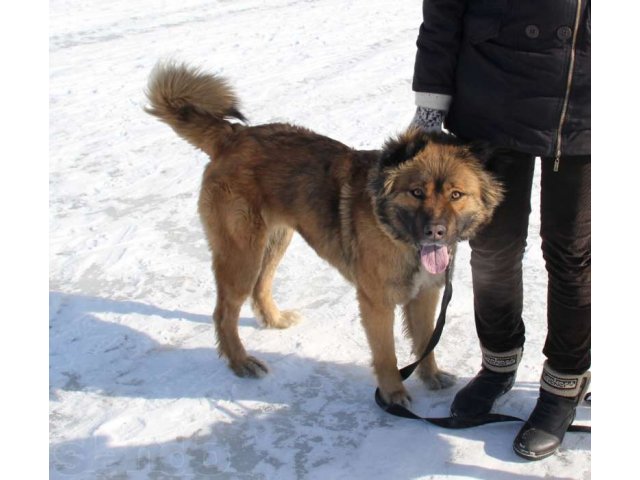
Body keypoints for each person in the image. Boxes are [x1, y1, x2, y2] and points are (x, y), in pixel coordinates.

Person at [410, 0, 591, 460]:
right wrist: (430, 111)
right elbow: (444, 10)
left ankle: (564, 385)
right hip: (493, 91)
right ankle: (499, 362)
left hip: (588, 102)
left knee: (572, 252)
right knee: (493, 249)